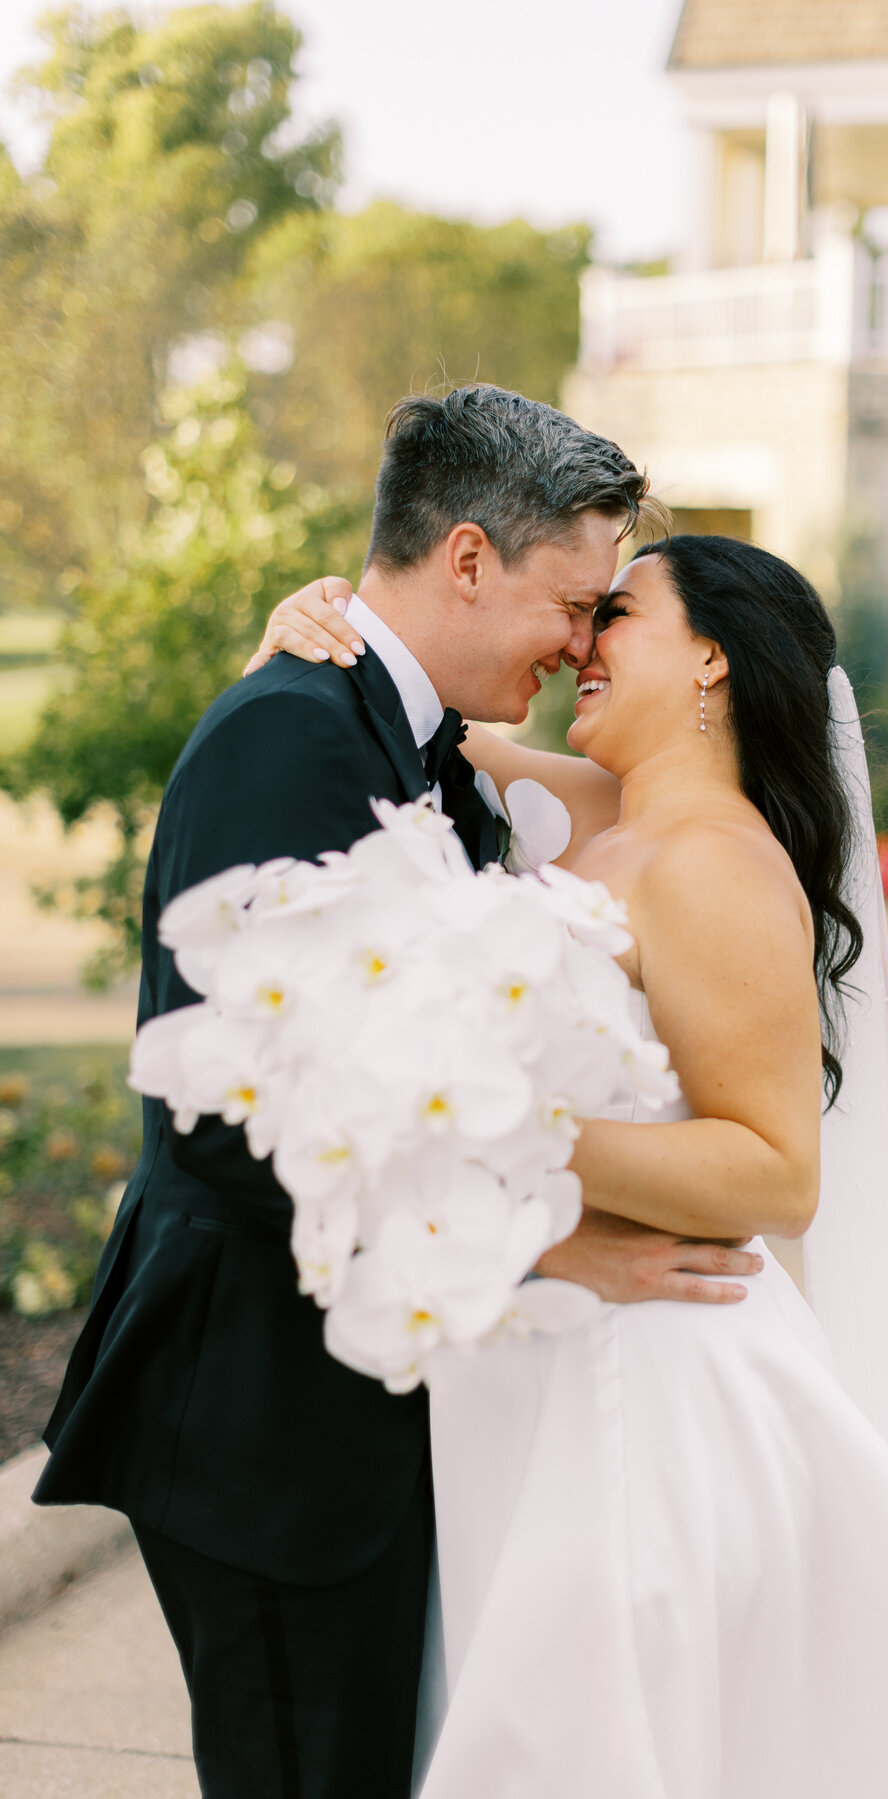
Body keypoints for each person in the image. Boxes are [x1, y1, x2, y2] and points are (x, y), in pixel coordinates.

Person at [262, 531, 888, 1798]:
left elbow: (774, 1169)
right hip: (531, 1369)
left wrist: (490, 1127)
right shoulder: (602, 818)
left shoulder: (717, 863)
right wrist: (322, 624)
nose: (581, 643)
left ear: (710, 658)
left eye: (618, 615)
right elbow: (393, 714)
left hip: (643, 1376)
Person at [31, 387, 763, 1799]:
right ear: (471, 558)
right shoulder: (291, 734)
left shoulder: (412, 742)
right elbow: (237, 1119)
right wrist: (548, 1244)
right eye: (574, 599)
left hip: (354, 1415)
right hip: (264, 1423)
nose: (579, 642)